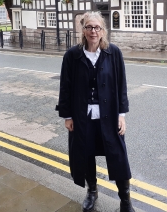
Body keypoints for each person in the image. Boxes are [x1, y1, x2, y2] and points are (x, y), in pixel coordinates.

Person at [56, 11, 135, 212]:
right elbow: (65, 86)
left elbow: (121, 85)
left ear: (103, 31)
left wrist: (122, 115)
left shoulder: (113, 52)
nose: (93, 31)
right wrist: (67, 116)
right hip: (83, 118)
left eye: (97, 27)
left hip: (109, 117)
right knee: (85, 154)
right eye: (89, 27)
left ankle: (125, 200)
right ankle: (92, 191)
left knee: (118, 156)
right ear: (83, 30)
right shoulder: (72, 56)